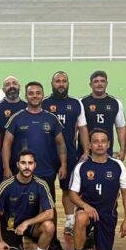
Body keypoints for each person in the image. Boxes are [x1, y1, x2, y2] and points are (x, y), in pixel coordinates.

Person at [2, 81, 67, 250]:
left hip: (46, 172)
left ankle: (52, 241)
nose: (35, 96)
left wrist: (63, 164)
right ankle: (16, 240)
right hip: (21, 174)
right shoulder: (17, 117)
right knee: (16, 207)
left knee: (49, 209)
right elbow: (6, 144)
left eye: (38, 93)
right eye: (31, 93)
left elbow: (61, 144)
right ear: (26, 95)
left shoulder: (51, 118)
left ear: (43, 94)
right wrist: (7, 167)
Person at [68, 129, 126, 250]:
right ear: (89, 145)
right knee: (81, 217)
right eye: (96, 141)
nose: (100, 144)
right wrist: (85, 206)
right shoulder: (81, 167)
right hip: (88, 211)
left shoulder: (118, 165)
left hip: (107, 214)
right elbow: (72, 195)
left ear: (109, 144)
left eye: (103, 141)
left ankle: (90, 240)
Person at [41, 71, 90, 241]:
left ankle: (69, 221)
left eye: (64, 81)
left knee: (68, 189)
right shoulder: (44, 102)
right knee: (44, 190)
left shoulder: (76, 103)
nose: (60, 84)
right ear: (52, 83)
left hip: (69, 154)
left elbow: (83, 128)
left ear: (68, 83)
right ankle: (40, 221)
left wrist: (86, 150)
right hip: (45, 155)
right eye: (57, 81)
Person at [0, 150, 55, 250]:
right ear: (17, 165)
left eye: (30, 163)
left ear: (35, 165)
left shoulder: (41, 185)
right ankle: (16, 246)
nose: (27, 166)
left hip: (30, 227)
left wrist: (26, 222)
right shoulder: (6, 185)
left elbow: (50, 213)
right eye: (23, 163)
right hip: (10, 228)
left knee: (49, 226)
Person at [0, 75, 27, 186]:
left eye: (14, 83)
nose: (11, 86)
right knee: (3, 191)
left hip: (25, 158)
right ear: (3, 90)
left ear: (19, 87)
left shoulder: (28, 107)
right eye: (7, 84)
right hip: (2, 159)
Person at [80, 70, 126, 160]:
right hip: (84, 153)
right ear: (90, 84)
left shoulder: (115, 103)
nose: (99, 84)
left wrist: (122, 150)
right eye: (96, 81)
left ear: (106, 83)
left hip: (106, 151)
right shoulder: (82, 102)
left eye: (102, 81)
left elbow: (121, 128)